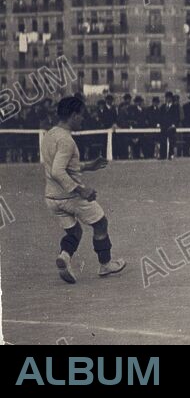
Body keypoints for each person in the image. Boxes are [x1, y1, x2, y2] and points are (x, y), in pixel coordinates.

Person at [41, 97, 126, 284]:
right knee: (101, 223)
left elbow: (61, 165)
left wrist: (87, 166)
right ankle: (105, 264)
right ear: (73, 115)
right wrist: (81, 190)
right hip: (69, 196)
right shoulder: (67, 140)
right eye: (81, 116)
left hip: (51, 197)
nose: (82, 119)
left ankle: (64, 256)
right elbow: (58, 171)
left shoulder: (50, 135)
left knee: (75, 232)